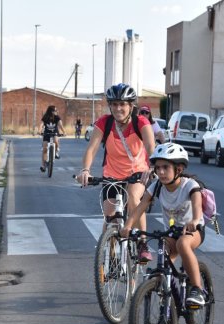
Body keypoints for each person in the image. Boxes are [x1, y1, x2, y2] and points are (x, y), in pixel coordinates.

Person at [120, 143, 205, 305]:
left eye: (165, 167)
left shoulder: (189, 185)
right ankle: (167, 291)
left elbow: (197, 205)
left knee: (183, 244)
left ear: (178, 169)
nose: (160, 172)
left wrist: (194, 220)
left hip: (193, 231)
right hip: (171, 233)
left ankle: (197, 289)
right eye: (157, 168)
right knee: (162, 256)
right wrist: (128, 225)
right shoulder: (157, 186)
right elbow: (141, 206)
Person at [79, 83, 156, 262]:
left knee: (134, 198)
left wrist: (152, 167)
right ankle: (110, 257)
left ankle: (142, 243)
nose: (118, 108)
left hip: (137, 172)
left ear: (131, 106)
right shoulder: (104, 123)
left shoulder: (140, 122)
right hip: (111, 174)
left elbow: (151, 147)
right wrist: (85, 170)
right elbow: (92, 149)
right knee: (111, 219)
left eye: (122, 104)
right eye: (114, 104)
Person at [39, 105, 65, 172]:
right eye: (55, 110)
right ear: (51, 111)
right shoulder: (45, 117)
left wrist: (64, 132)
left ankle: (56, 152)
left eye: (56, 110)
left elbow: (60, 125)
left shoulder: (57, 117)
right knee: (44, 149)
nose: (56, 112)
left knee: (56, 140)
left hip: (54, 133)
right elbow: (41, 124)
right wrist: (39, 131)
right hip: (46, 134)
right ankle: (43, 166)